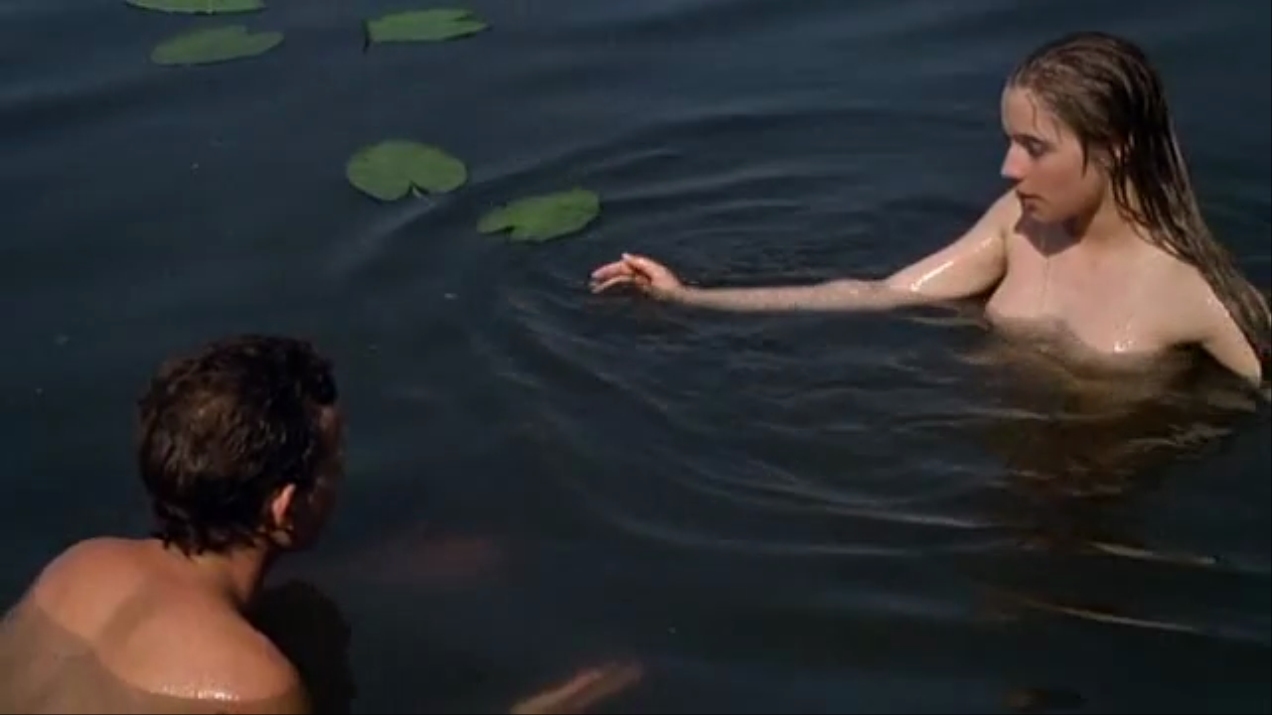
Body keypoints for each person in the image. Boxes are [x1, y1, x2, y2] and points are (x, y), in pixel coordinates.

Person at [589, 31, 1270, 390]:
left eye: (1035, 147)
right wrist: (690, 298)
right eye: (1010, 142)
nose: (1009, 168)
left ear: (1115, 149)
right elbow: (879, 294)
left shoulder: (1195, 292)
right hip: (1001, 487)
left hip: (1105, 516)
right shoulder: (1017, 224)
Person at [0, 335, 642, 714]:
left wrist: (381, 571)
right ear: (286, 508)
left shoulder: (77, 570)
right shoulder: (253, 687)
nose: (344, 475)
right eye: (335, 462)